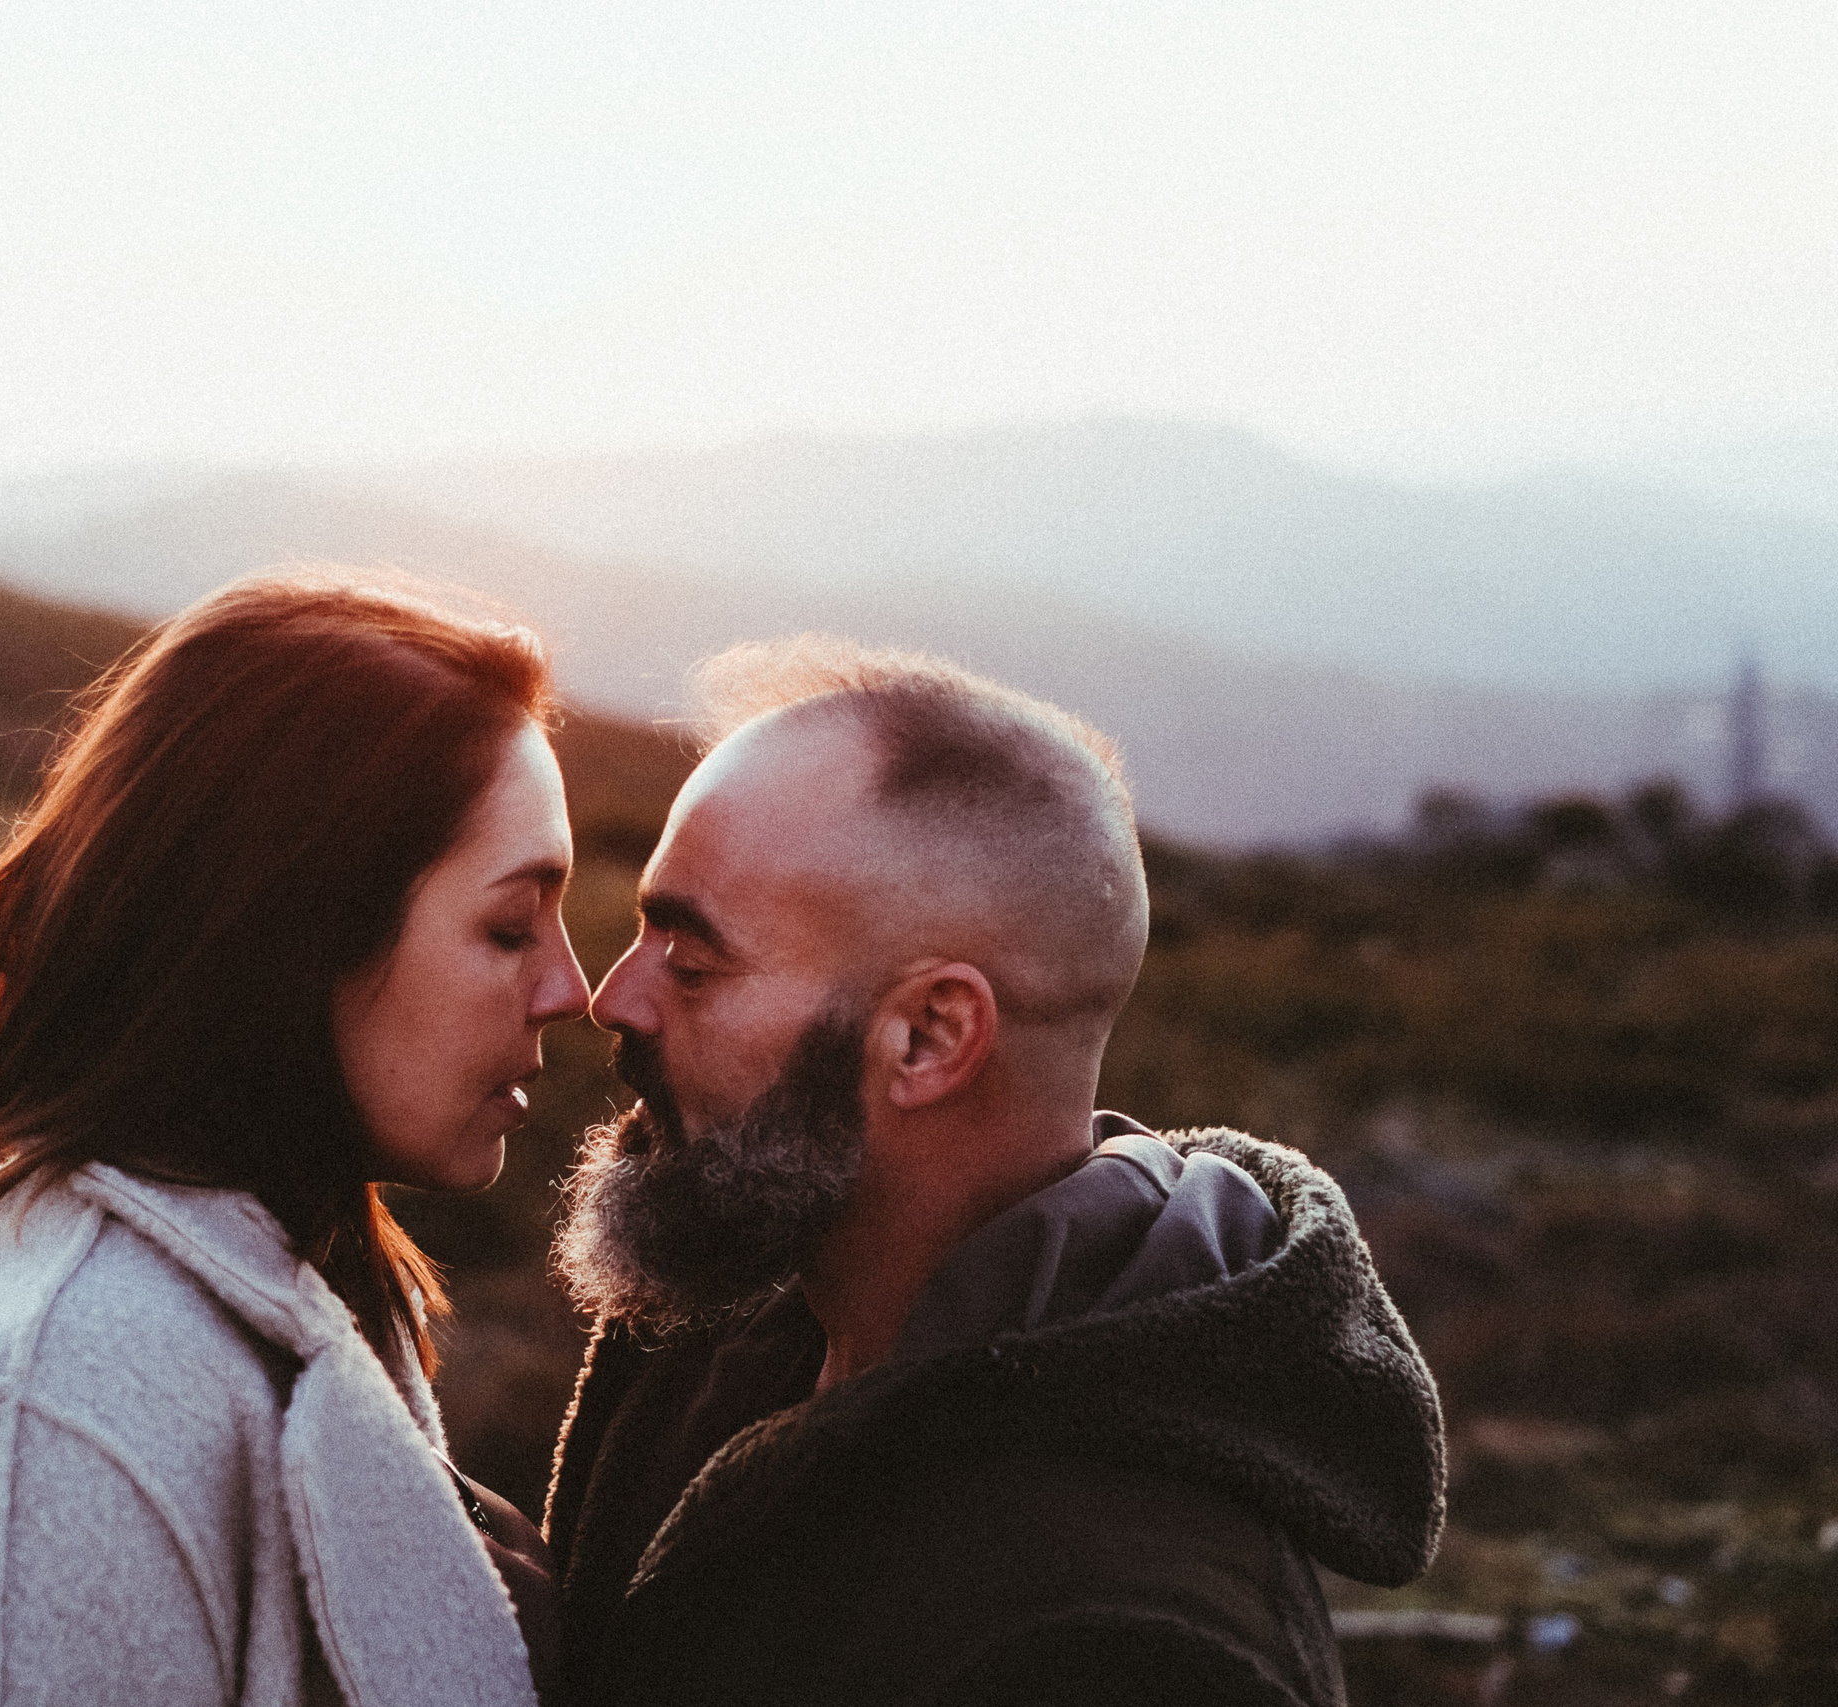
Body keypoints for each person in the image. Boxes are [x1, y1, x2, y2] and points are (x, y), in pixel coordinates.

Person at [543, 637, 1447, 1707]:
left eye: (693, 965)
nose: (614, 998)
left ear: (929, 1036)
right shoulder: (719, 1333)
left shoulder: (1124, 1649)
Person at [0, 571, 587, 1707]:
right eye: (510, 925)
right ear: (293, 930)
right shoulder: (44, 1424)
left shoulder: (291, 1297)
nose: (572, 988)